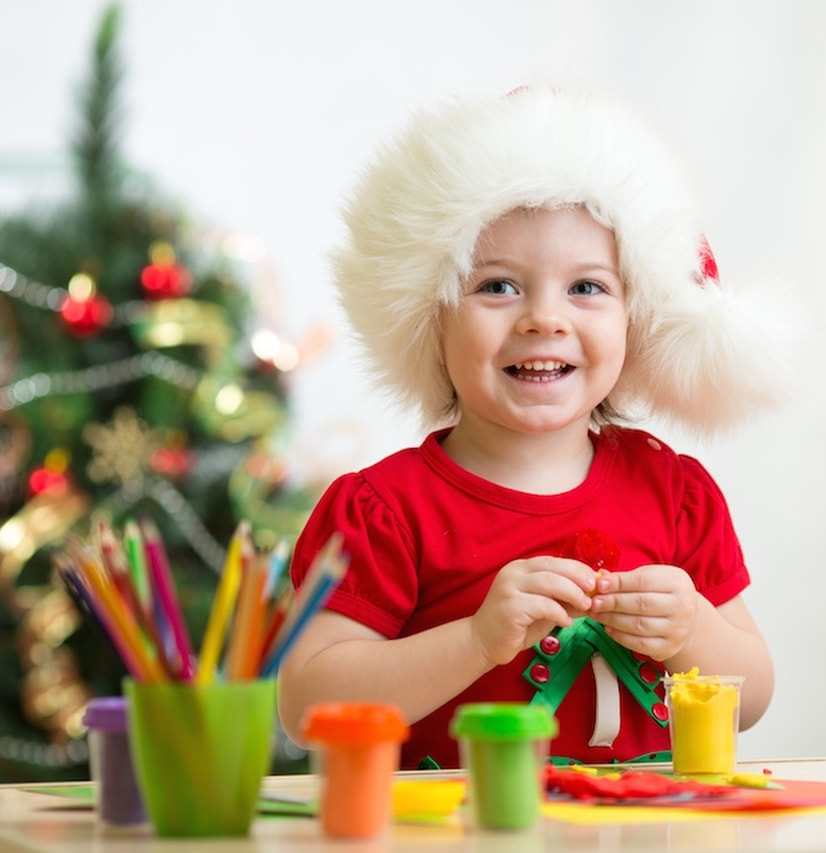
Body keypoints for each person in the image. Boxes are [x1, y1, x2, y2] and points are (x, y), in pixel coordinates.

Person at [278, 86, 791, 769]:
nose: (543, 319)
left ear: (636, 320)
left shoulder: (674, 492)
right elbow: (308, 706)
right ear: (432, 317)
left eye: (587, 287)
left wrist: (693, 628)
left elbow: (752, 697)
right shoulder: (382, 511)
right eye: (497, 286)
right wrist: (476, 640)